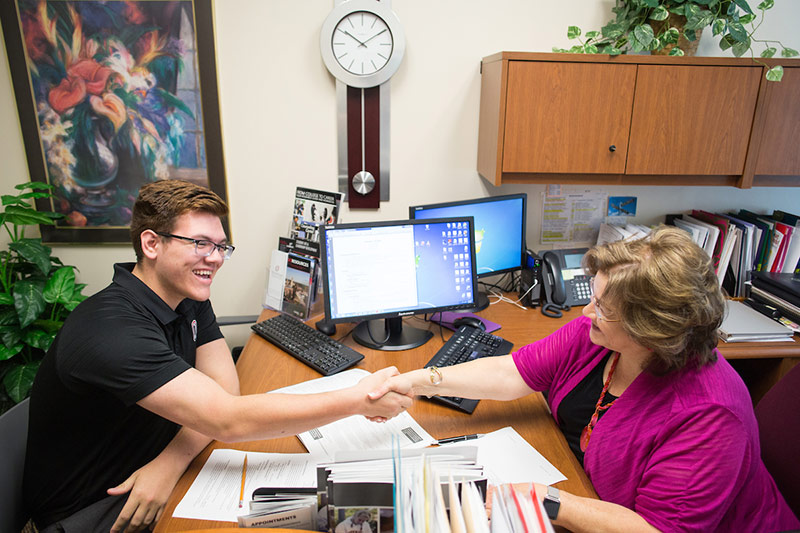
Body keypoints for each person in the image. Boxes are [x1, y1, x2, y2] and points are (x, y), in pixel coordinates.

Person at [23, 180, 411, 533]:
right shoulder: (110, 329)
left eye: (220, 246)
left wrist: (170, 460)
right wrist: (360, 400)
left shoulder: (186, 296)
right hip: (96, 509)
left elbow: (225, 389)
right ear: (151, 244)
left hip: (159, 469)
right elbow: (227, 419)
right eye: (200, 243)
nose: (215, 258)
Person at [371, 226, 800, 532]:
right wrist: (421, 380)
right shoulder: (596, 336)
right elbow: (512, 372)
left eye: (602, 308)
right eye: (592, 297)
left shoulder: (710, 416)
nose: (585, 313)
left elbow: (654, 529)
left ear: (652, 331)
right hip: (584, 488)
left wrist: (545, 500)